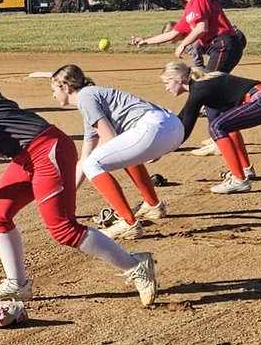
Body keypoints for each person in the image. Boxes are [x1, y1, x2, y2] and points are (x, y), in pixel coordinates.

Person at [0, 52, 158, 307]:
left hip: (46, 150)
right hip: (29, 156)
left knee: (64, 229)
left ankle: (136, 265)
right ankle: (17, 284)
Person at [50, 65, 184, 240]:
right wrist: (67, 195)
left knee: (94, 163)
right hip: (172, 127)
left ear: (66, 87)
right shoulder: (92, 97)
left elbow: (108, 137)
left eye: (54, 89)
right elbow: (84, 157)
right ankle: (152, 205)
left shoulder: (84, 97)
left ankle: (128, 224)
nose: (53, 94)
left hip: (154, 128)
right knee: (107, 156)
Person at [133, 0, 249, 158]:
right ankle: (218, 136)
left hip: (223, 45)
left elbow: (201, 28)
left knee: (206, 90)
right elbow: (172, 34)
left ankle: (218, 140)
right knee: (210, 92)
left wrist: (183, 44)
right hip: (220, 47)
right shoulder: (190, 7)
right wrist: (145, 41)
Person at [159, 61, 261, 194]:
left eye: (167, 83)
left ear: (178, 79)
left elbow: (185, 130)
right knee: (228, 126)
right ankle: (245, 170)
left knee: (216, 127)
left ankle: (239, 180)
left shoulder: (200, 90)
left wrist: (159, 151)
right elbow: (183, 117)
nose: (166, 88)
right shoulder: (202, 85)